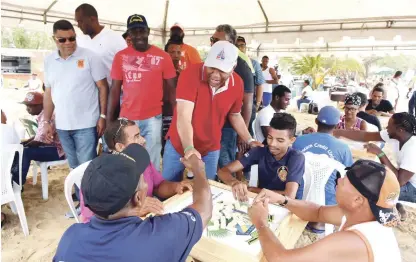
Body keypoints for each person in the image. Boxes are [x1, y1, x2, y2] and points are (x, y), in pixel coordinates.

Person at [53, 143, 212, 262]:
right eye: (142, 178)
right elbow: (204, 210)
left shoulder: (70, 238)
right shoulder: (159, 235)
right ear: (138, 198)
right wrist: (198, 170)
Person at [249, 160, 401, 262]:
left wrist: (261, 223)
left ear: (357, 200)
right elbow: (318, 212)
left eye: (344, 181)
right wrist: (283, 200)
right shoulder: (364, 214)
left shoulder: (353, 241)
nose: (338, 181)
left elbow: (281, 259)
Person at [163, 41, 262, 182]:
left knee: (206, 190)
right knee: (168, 187)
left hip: (210, 147)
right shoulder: (190, 74)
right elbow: (184, 116)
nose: (215, 75)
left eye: (221, 71)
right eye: (211, 68)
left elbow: (234, 114)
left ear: (233, 67)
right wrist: (189, 148)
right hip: (178, 145)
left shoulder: (237, 83)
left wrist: (250, 140)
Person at [43, 20, 108, 207]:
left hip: (87, 123)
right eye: (62, 40)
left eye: (72, 38)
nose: (68, 43)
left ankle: (89, 205)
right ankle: (83, 202)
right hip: (63, 125)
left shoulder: (90, 57)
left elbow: (103, 87)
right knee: (74, 166)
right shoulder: (48, 61)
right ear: (54, 39)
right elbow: (48, 92)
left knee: (86, 166)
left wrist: (102, 116)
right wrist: (46, 121)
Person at [79, 119, 193, 223]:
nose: (143, 140)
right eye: (136, 136)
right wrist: (131, 211)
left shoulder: (141, 160)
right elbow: (92, 219)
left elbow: (158, 186)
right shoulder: (100, 175)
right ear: (120, 147)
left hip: (142, 223)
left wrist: (176, 187)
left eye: (141, 135)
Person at [108, 14, 177, 171]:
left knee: (151, 160)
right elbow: (114, 90)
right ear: (129, 35)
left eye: (141, 30)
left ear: (148, 31)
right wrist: (109, 121)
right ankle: (132, 193)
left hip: (153, 118)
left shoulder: (163, 57)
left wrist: (174, 120)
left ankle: (152, 192)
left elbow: (173, 92)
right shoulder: (120, 57)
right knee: (127, 160)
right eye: (134, 32)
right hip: (127, 119)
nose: (138, 35)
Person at [334, 113, 416, 219]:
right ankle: (395, 203)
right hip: (404, 178)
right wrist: (337, 132)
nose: (386, 128)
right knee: (370, 172)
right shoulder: (396, 134)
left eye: (389, 126)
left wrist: (380, 153)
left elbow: (399, 181)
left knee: (368, 187)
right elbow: (365, 136)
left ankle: (389, 206)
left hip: (412, 188)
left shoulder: (412, 148)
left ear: (400, 130)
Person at [218, 113, 305, 201]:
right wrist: (235, 182)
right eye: (270, 138)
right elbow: (222, 172)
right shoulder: (260, 150)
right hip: (262, 201)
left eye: (280, 140)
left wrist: (253, 190)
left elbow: (289, 196)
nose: (272, 144)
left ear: (291, 140)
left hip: (287, 206)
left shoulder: (296, 157)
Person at [210, 25, 254, 169]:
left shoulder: (241, 66)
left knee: (225, 166)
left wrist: (243, 135)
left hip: (228, 127)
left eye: (217, 40)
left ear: (230, 44)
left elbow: (248, 104)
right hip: (212, 125)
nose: (212, 43)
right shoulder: (209, 62)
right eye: (212, 39)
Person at [293, 106, 353, 206]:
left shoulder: (299, 141)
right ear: (337, 125)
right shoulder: (343, 148)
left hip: (299, 198)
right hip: (328, 203)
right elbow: (349, 177)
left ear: (316, 121)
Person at [10, 92, 65, 186]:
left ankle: (16, 182)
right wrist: (25, 142)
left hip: (58, 151)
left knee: (25, 152)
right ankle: (14, 178)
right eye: (27, 106)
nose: (27, 109)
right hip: (50, 147)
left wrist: (23, 145)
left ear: (41, 105)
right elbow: (38, 136)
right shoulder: (43, 115)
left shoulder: (47, 117)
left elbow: (38, 141)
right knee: (21, 149)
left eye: (31, 106)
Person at [75, 3, 127, 88]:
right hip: (87, 96)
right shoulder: (79, 40)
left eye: (80, 21)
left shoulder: (115, 39)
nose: (78, 25)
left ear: (92, 19)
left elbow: (126, 69)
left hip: (110, 96)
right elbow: (79, 64)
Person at [236, 35, 265, 133]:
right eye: (237, 45)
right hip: (233, 105)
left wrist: (257, 103)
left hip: (248, 104)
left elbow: (260, 83)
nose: (240, 48)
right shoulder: (229, 62)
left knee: (247, 132)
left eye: (242, 45)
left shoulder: (253, 64)